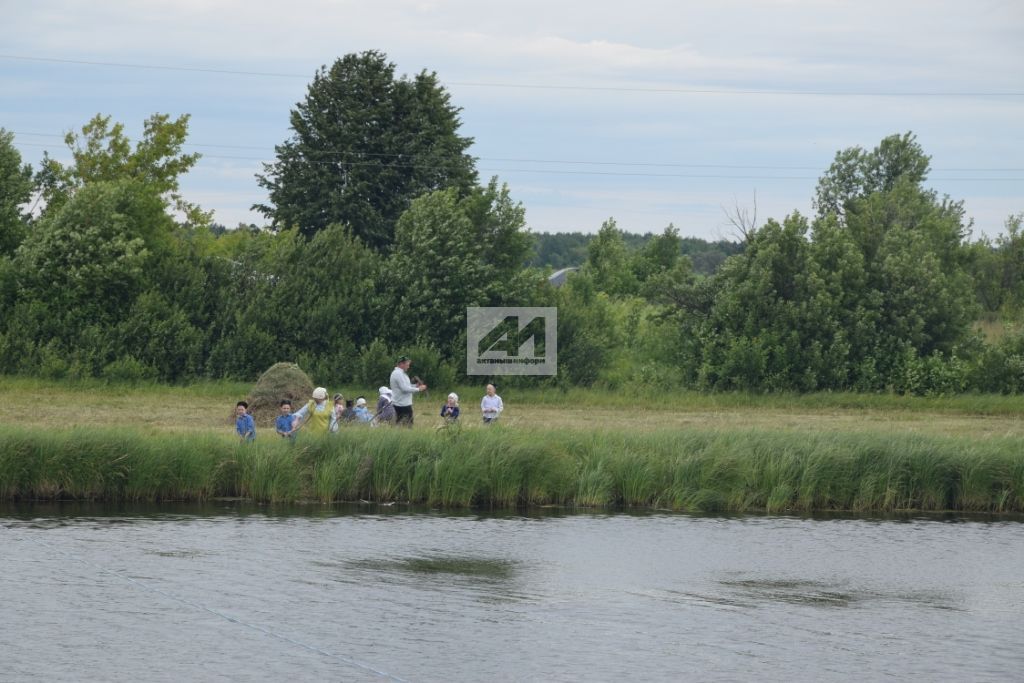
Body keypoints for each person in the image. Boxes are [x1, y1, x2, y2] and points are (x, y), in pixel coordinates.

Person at [389, 355, 426, 427]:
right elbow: (404, 389)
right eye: (407, 365)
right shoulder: (398, 374)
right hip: (402, 405)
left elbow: (406, 386)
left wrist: (416, 386)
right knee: (407, 426)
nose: (408, 367)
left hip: (402, 403)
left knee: (400, 425)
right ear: (401, 364)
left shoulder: (401, 373)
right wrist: (419, 389)